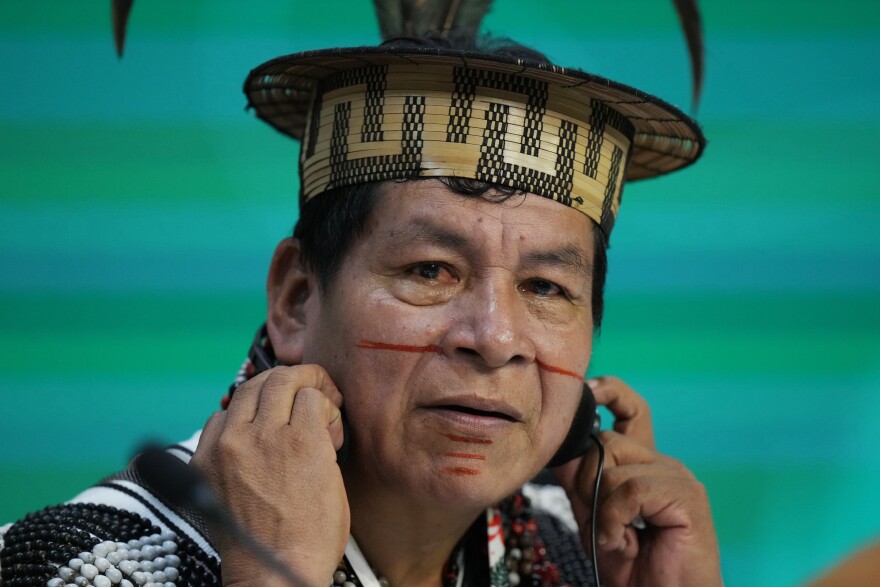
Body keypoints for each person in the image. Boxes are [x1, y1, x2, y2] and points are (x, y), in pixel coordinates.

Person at [0, 2, 722, 586]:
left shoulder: (576, 553)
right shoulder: (83, 566)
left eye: (544, 285)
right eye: (431, 270)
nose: (495, 337)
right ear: (296, 298)